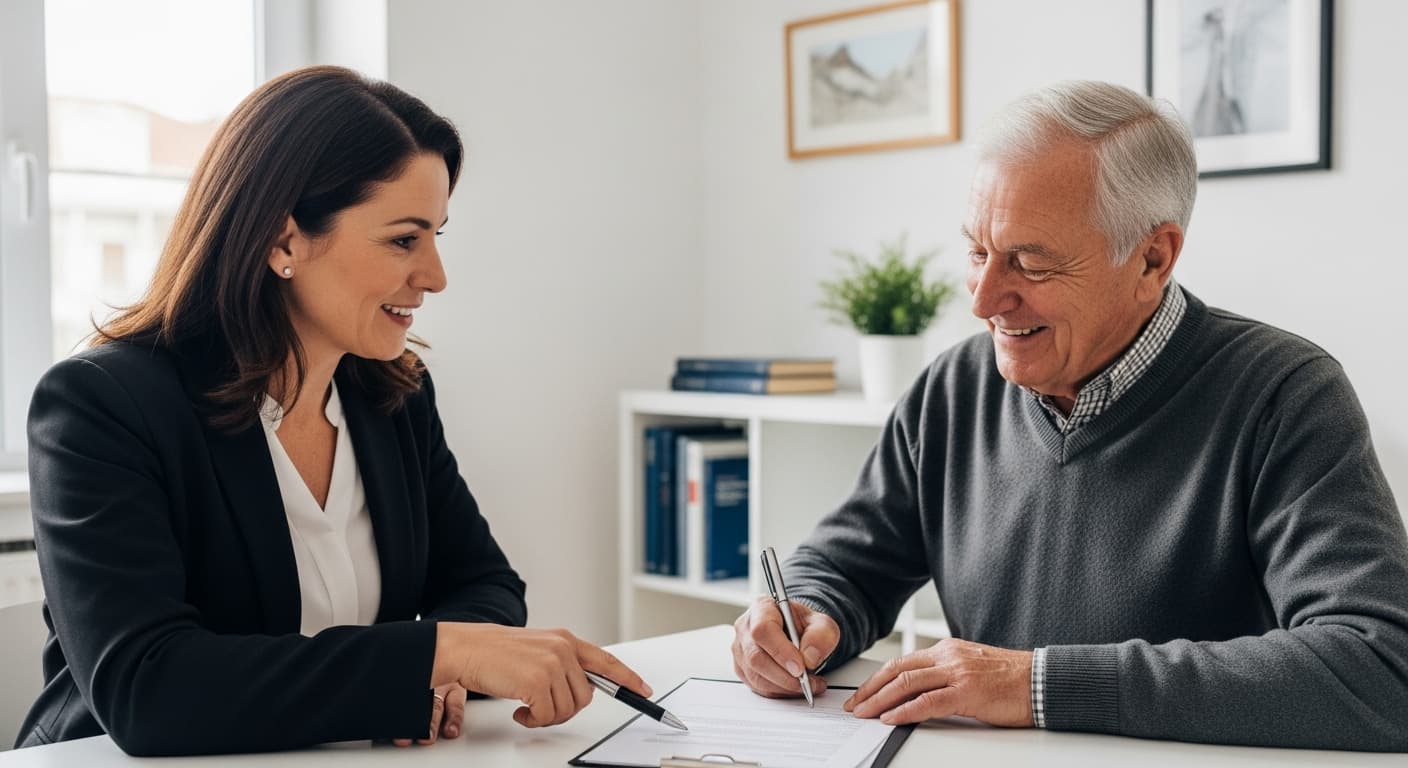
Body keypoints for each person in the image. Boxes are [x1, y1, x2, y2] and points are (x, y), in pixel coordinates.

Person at [731, 80, 1408, 752]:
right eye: (977, 252)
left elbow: (1381, 666)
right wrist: (804, 612)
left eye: (1029, 263)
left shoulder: (1285, 395)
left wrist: (1037, 685)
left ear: (1152, 258)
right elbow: (849, 564)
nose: (984, 300)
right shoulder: (954, 387)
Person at [17, 65, 650, 756]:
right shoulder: (101, 406)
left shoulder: (394, 396)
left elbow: (483, 583)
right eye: (404, 239)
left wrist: (445, 666)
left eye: (437, 235)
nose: (436, 276)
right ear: (283, 241)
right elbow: (150, 688)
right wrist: (436, 655)